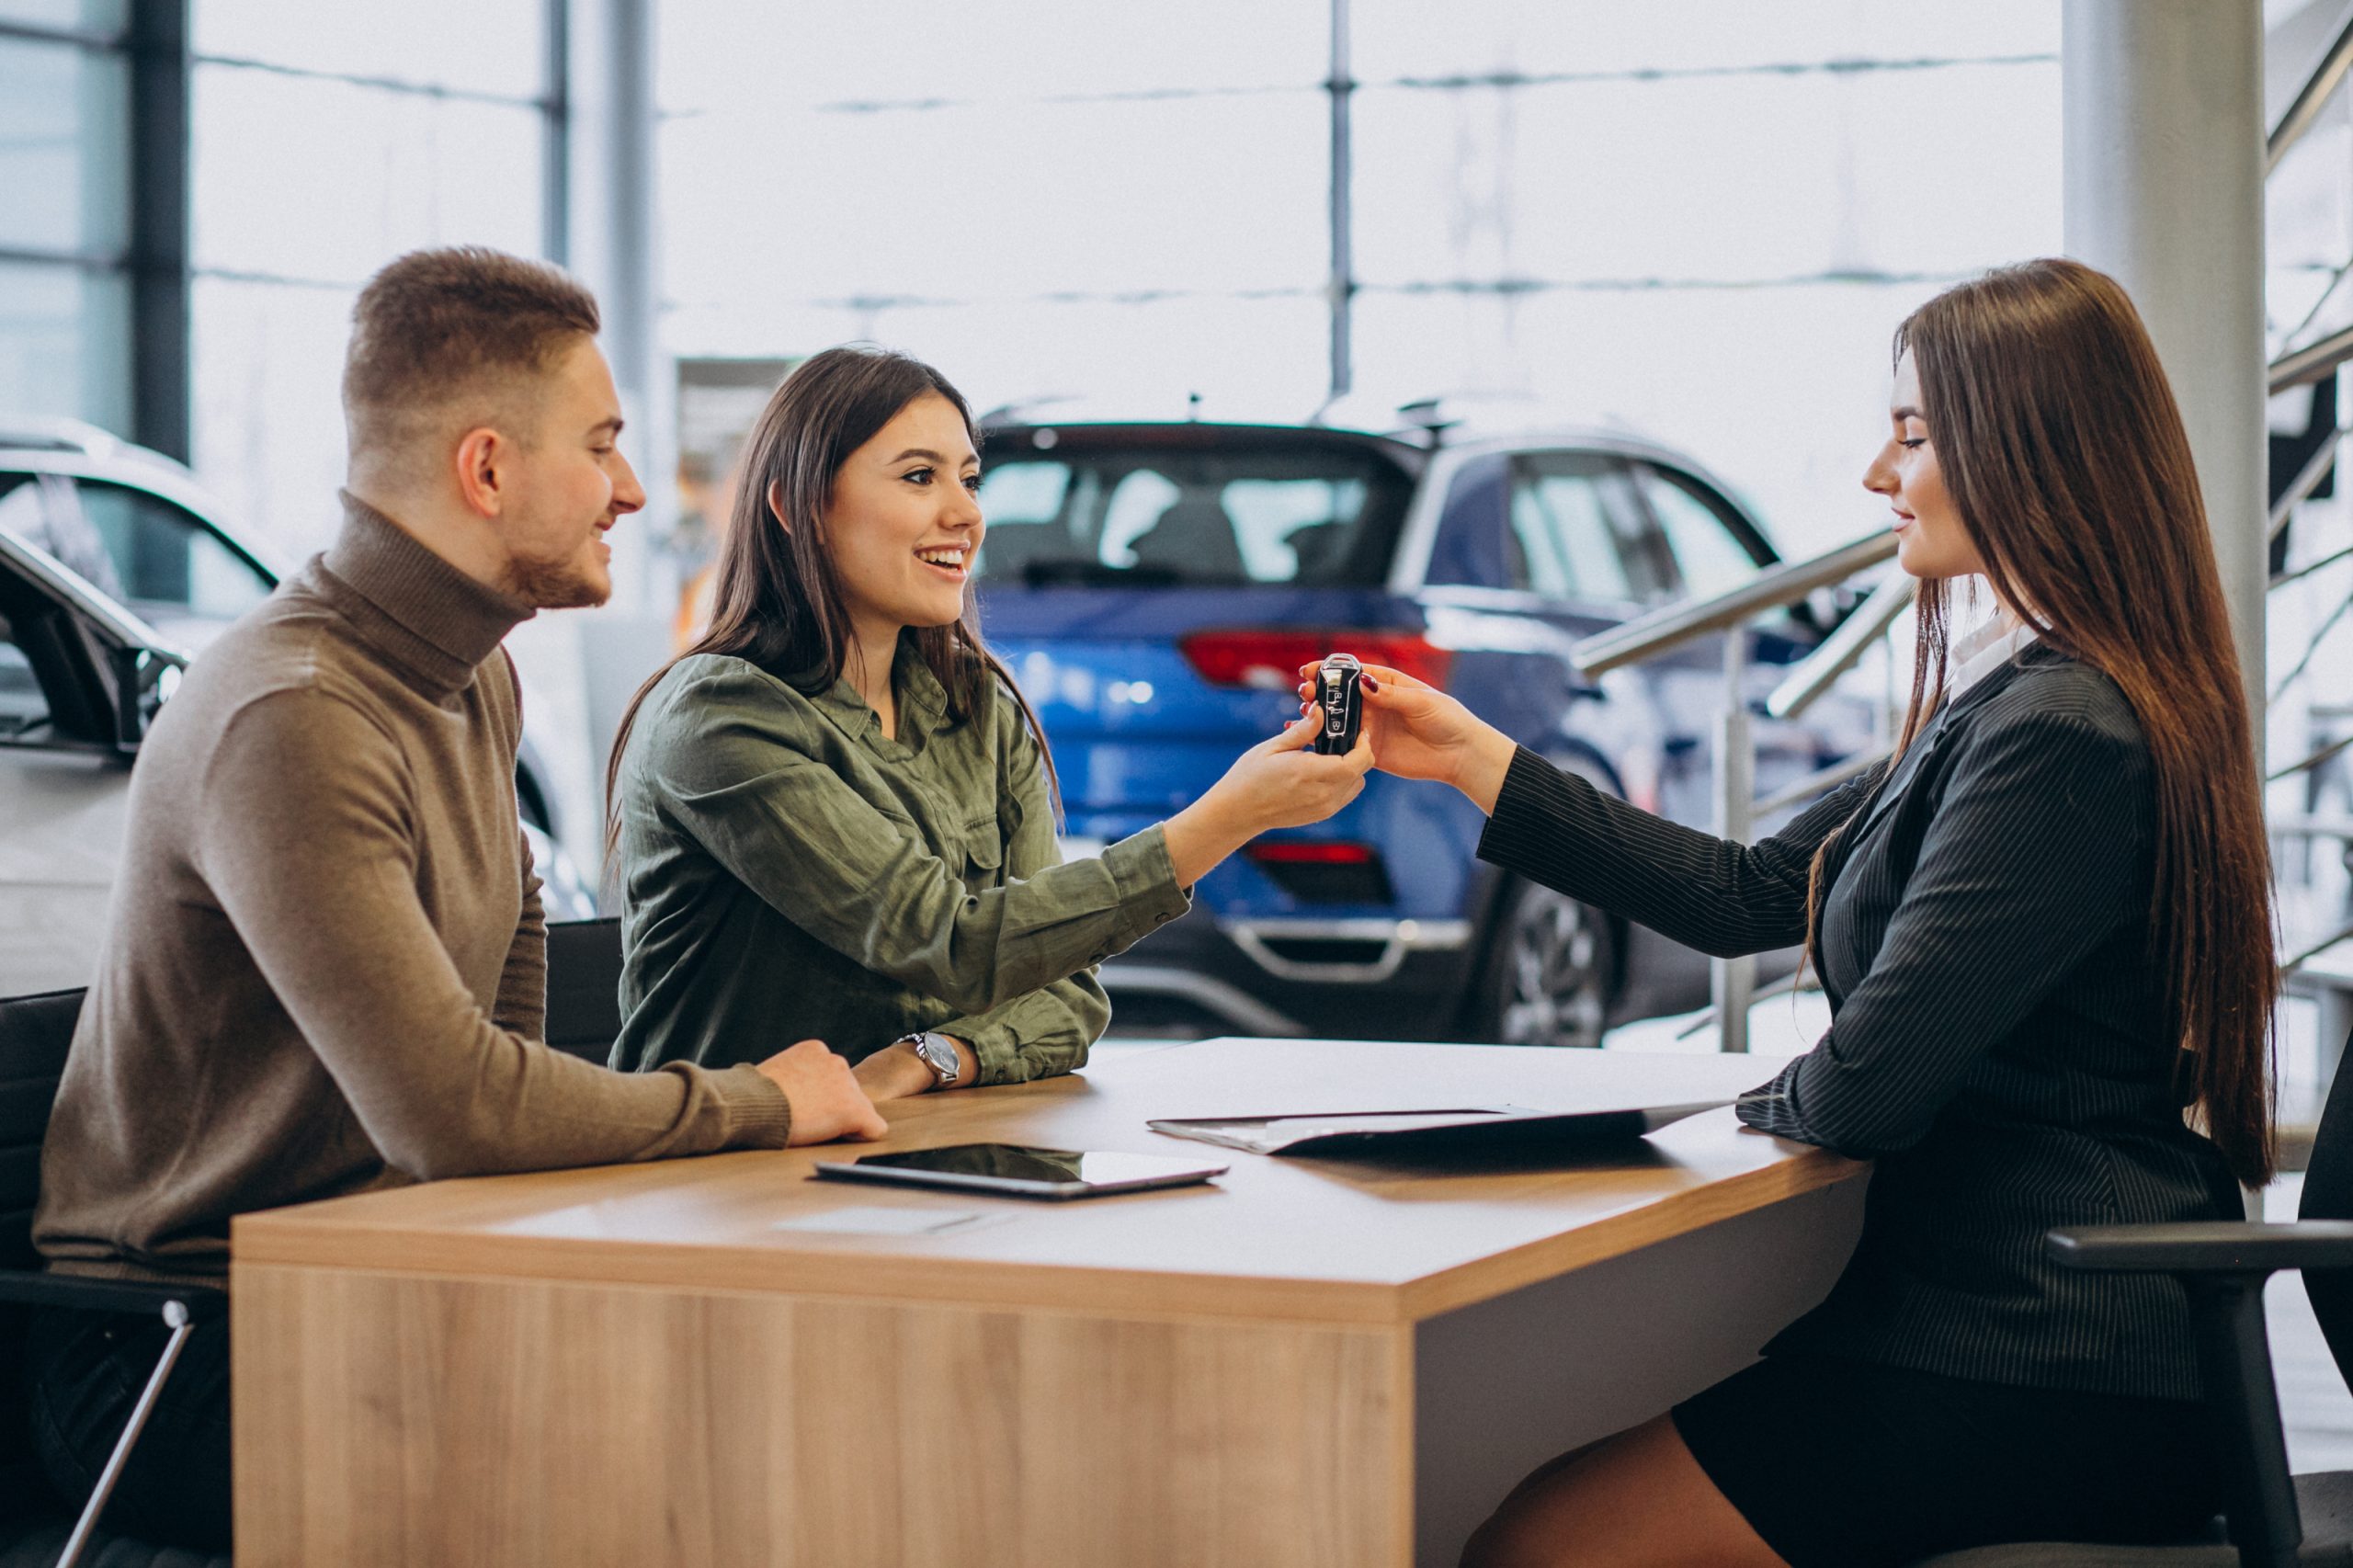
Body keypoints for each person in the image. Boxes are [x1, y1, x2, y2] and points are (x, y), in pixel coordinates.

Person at [1327, 258, 2275, 1568]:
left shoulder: (2062, 731)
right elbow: (1748, 891)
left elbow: (1866, 1088)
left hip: (2047, 1351)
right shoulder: (2028, 701)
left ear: (2030, 452)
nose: (1881, 478)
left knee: (1537, 1545)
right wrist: (1468, 754)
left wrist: (1757, 1099)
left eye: (1915, 436)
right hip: (2008, 1322)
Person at [25, 247, 890, 1553]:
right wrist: (761, 1102)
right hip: (183, 1347)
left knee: (798, 1383)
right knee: (685, 1464)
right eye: (601, 445)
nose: (636, 489)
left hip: (383, 1273)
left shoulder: (468, 676)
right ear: (486, 469)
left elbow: (509, 1043)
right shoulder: (297, 714)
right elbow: (459, 1110)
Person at [607, 345, 1370, 1098]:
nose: (966, 513)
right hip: (725, 1183)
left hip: (920, 1163)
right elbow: (957, 945)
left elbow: (1066, 996)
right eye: (918, 477)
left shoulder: (977, 703)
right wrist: (1227, 819)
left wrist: (928, 1057)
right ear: (796, 506)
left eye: (970, 480)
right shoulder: (720, 717)